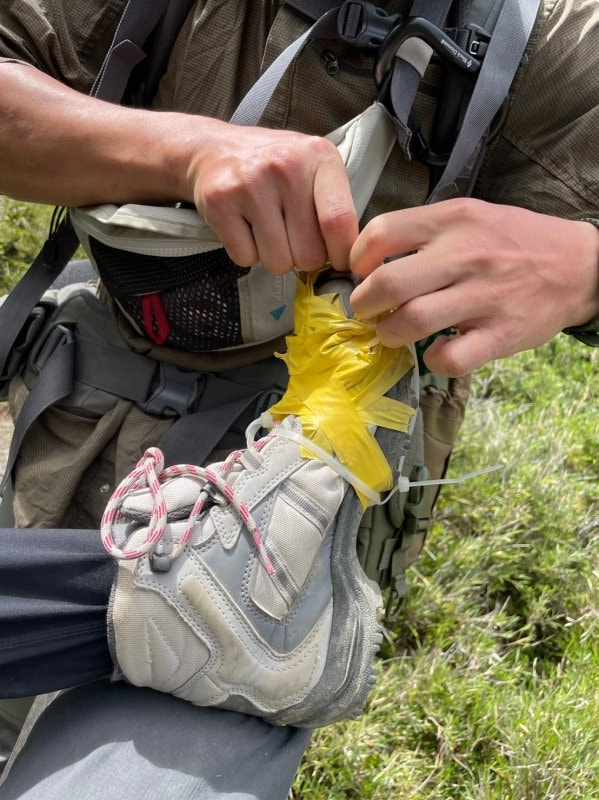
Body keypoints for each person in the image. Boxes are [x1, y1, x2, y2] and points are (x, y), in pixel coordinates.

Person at [0, 1, 597, 798]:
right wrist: (179, 153)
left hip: (286, 538)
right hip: (71, 435)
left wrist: (585, 269)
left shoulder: (552, 38)